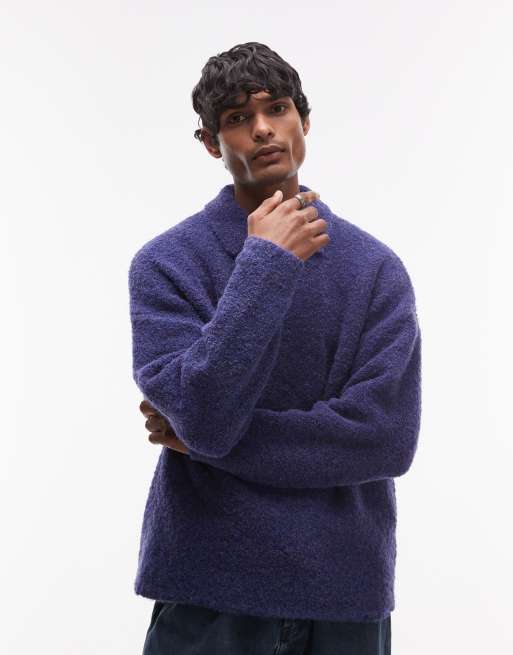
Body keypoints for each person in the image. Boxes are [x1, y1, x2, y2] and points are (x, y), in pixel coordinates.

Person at [128, 41, 421, 654]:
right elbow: (208, 413)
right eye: (237, 118)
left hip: (344, 597)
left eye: (277, 108)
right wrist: (266, 263)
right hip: (208, 592)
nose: (262, 128)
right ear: (212, 144)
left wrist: (205, 444)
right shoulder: (166, 265)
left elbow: (384, 439)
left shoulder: (376, 270)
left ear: (304, 121)